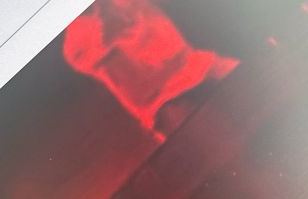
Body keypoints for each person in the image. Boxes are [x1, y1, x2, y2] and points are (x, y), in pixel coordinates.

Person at [63, 0, 238, 134]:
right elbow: (128, 79)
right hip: (161, 102)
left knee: (249, 77)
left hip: (196, 62)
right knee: (201, 133)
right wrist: (106, 18)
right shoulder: (75, 43)